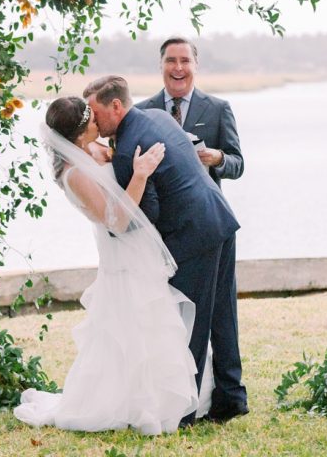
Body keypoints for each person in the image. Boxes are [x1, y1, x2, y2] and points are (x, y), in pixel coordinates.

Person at [15, 96, 202, 435]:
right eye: (90, 121)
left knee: (150, 320)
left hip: (138, 247)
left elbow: (116, 160)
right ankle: (131, 405)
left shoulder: (94, 148)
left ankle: (153, 401)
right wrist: (141, 174)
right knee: (127, 323)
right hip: (119, 251)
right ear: (76, 133)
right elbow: (115, 220)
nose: (96, 124)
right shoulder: (73, 174)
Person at [85, 75, 242, 427]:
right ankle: (231, 399)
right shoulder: (155, 115)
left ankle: (183, 412)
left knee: (190, 323)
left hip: (193, 235)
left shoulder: (127, 151)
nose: (92, 122)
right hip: (219, 217)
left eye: (95, 113)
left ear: (116, 106)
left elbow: (148, 213)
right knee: (221, 316)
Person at [135, 36, 248, 423]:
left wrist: (217, 158)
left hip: (210, 225)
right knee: (173, 314)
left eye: (184, 60)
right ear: (161, 65)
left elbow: (238, 163)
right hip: (165, 231)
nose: (178, 68)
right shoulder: (144, 111)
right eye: (171, 61)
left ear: (195, 65)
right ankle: (179, 394)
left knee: (220, 311)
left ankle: (230, 396)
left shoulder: (217, 109)